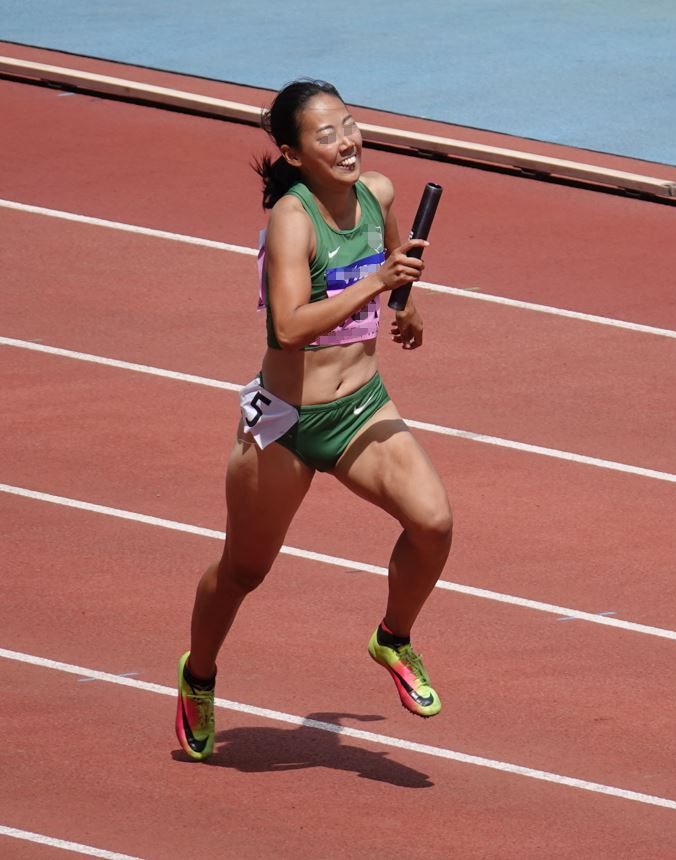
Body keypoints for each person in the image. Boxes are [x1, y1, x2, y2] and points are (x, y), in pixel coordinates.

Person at [175, 79, 453, 762]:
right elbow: (289, 327)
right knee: (243, 571)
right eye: (326, 134)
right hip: (286, 424)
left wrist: (405, 306)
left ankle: (392, 638)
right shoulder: (292, 220)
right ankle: (198, 676)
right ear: (294, 154)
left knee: (433, 524)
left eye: (349, 124)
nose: (346, 141)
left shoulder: (379, 193)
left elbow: (394, 257)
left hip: (361, 407)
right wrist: (377, 284)